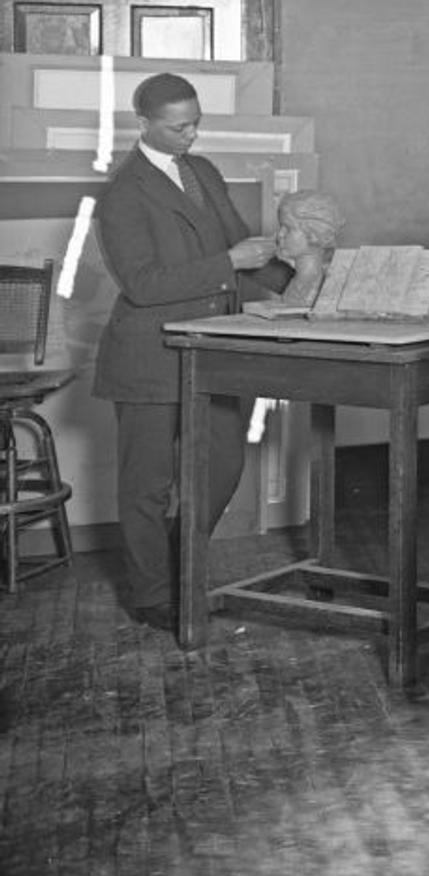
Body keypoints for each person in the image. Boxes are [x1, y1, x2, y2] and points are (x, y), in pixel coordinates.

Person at [93, 72, 285, 631]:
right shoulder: (122, 194)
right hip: (148, 355)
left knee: (223, 463)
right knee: (147, 484)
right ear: (144, 123)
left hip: (214, 350)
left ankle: (180, 560)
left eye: (197, 123)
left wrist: (307, 283)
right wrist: (233, 263)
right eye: (179, 127)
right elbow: (144, 284)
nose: (191, 135)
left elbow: (245, 247)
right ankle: (152, 593)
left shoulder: (202, 172)